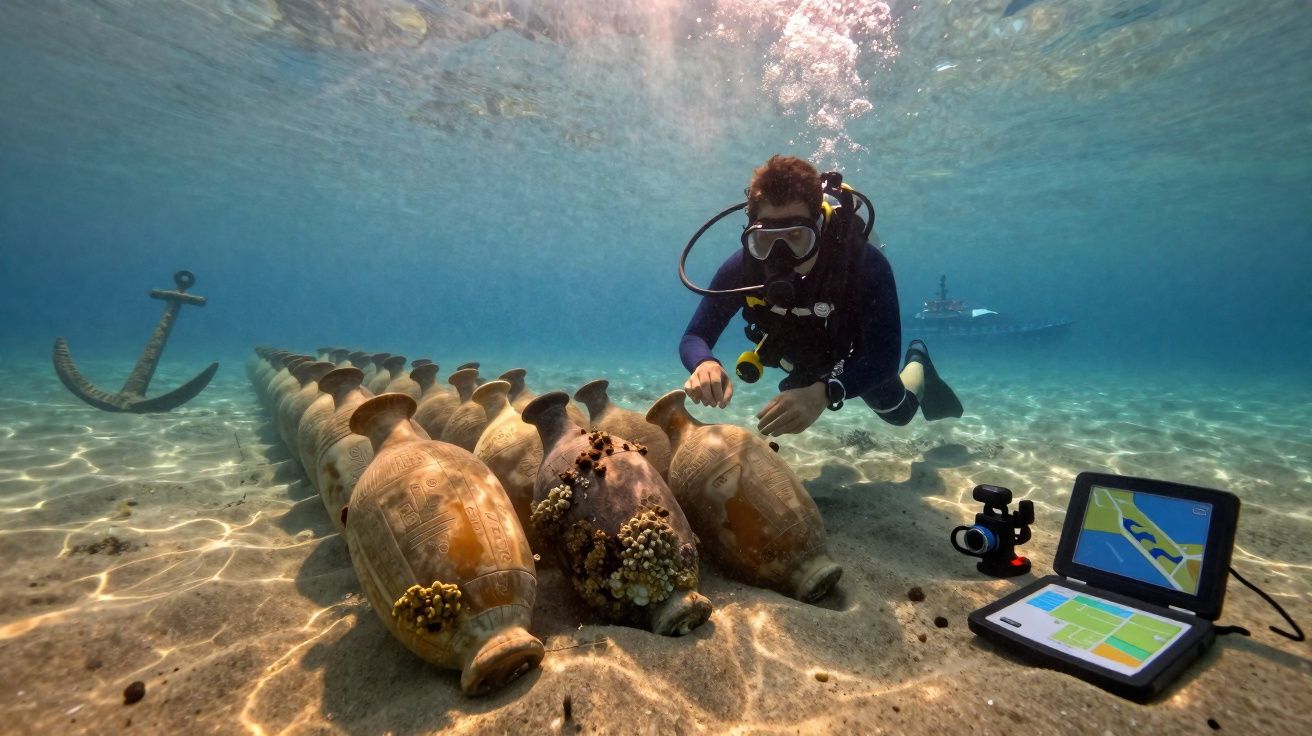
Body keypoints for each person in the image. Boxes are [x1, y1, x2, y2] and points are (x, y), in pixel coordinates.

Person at [678, 155, 962, 436]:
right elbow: (695, 337)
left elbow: (883, 356)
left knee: (900, 414)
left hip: (853, 355)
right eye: (765, 239)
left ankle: (918, 359)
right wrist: (704, 363)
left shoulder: (864, 263)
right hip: (798, 356)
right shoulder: (743, 267)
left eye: (796, 237)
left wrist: (826, 392)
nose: (780, 256)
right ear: (751, 230)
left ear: (819, 226)